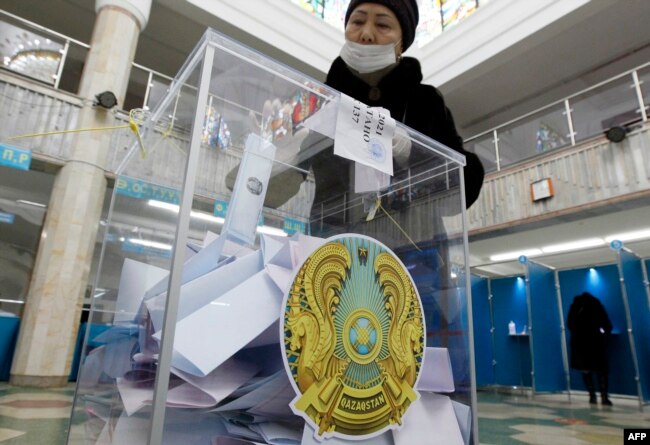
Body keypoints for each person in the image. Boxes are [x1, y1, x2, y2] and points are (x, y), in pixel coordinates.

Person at [303, 0, 484, 228]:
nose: (366, 34)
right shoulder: (323, 100)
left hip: (411, 247)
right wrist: (284, 141)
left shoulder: (425, 101)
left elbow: (466, 184)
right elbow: (284, 180)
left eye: (383, 25)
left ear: (402, 43)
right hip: (333, 248)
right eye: (357, 21)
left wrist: (414, 152)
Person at [567, 292, 613, 405]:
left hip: (579, 342)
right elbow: (606, 324)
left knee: (585, 369)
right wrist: (604, 334)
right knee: (601, 369)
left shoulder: (575, 306)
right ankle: (604, 397)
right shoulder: (596, 305)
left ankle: (592, 396)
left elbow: (569, 324)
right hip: (596, 341)